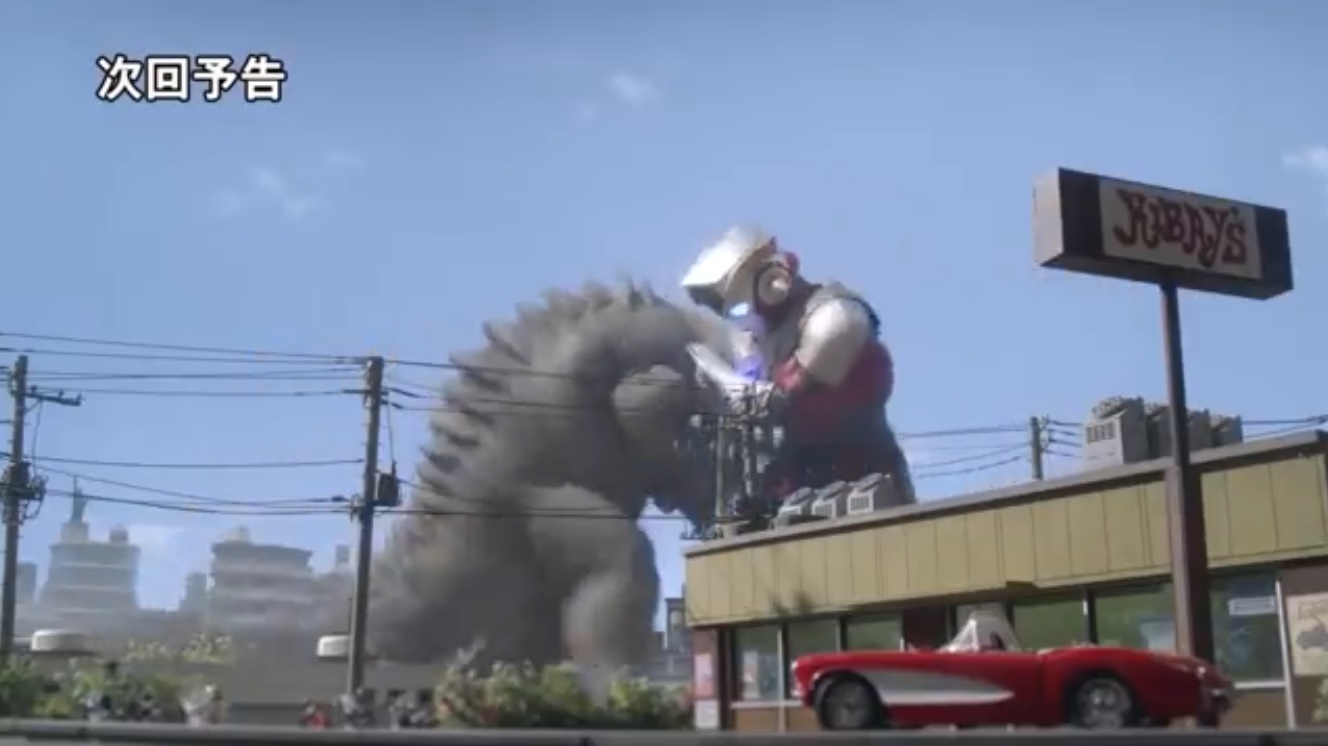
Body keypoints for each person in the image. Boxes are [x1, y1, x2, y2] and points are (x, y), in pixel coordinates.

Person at [681, 225, 914, 506]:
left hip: (862, 482)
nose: (744, 321)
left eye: (742, 309)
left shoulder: (833, 318)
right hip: (795, 487)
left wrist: (719, 375)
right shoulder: (764, 338)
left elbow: (774, 400)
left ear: (772, 282)